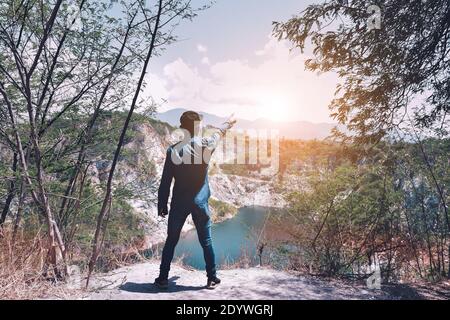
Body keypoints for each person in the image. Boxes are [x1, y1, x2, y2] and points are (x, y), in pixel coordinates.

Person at [154, 110, 236, 290]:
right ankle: (211, 277)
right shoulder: (205, 145)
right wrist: (229, 122)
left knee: (171, 240)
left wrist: (162, 205)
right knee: (206, 241)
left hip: (179, 203)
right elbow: (218, 133)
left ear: (182, 128)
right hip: (200, 203)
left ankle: (162, 278)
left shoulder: (173, 151)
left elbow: (165, 182)